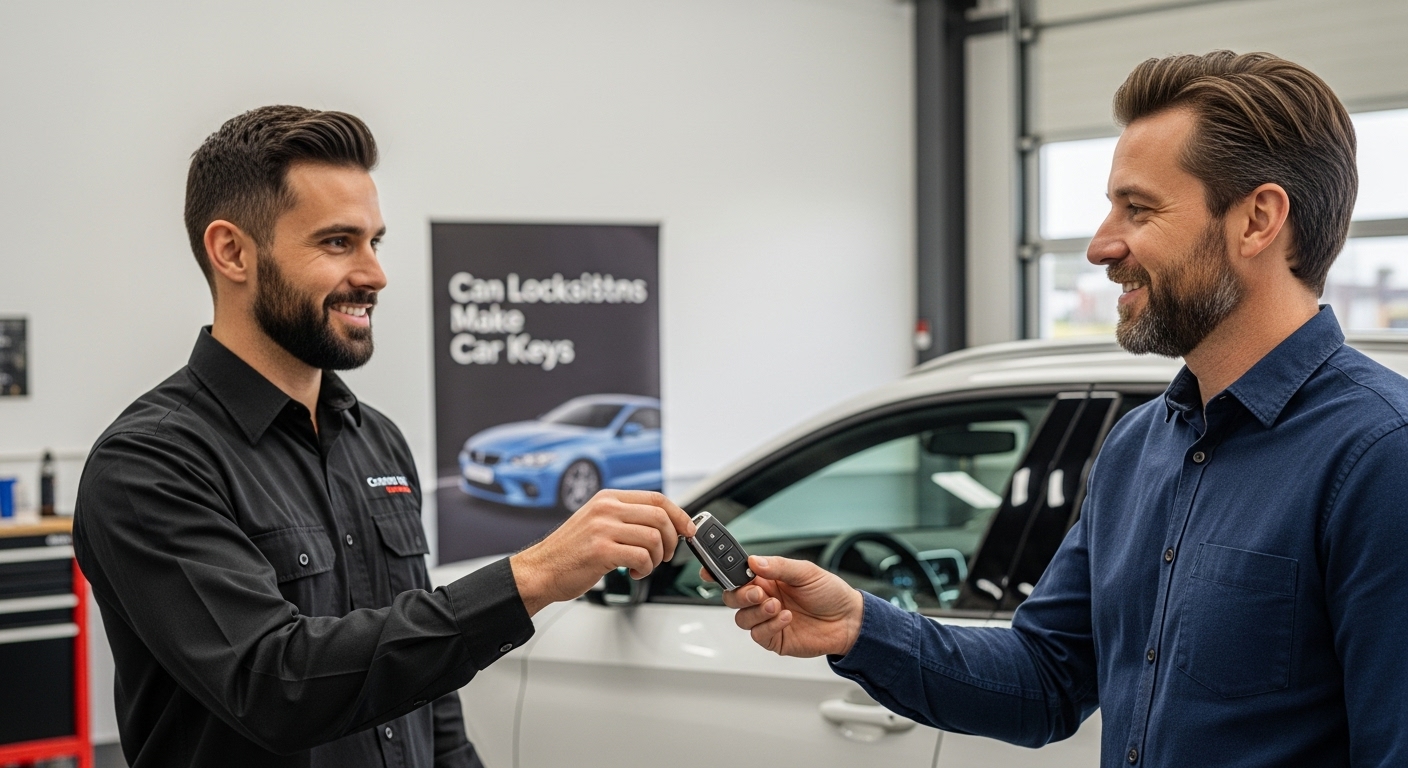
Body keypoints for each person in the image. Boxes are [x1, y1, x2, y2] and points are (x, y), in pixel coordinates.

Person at [717, 51, 1408, 766]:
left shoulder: (1381, 457)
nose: (1101, 246)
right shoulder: (1141, 447)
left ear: (1257, 220)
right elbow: (1046, 678)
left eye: (1138, 209)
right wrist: (859, 627)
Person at [73, 106, 694, 768]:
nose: (375, 274)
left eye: (375, 241)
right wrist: (534, 575)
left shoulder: (377, 442)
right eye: (338, 242)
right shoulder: (150, 465)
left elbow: (428, 687)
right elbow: (275, 685)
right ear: (232, 251)